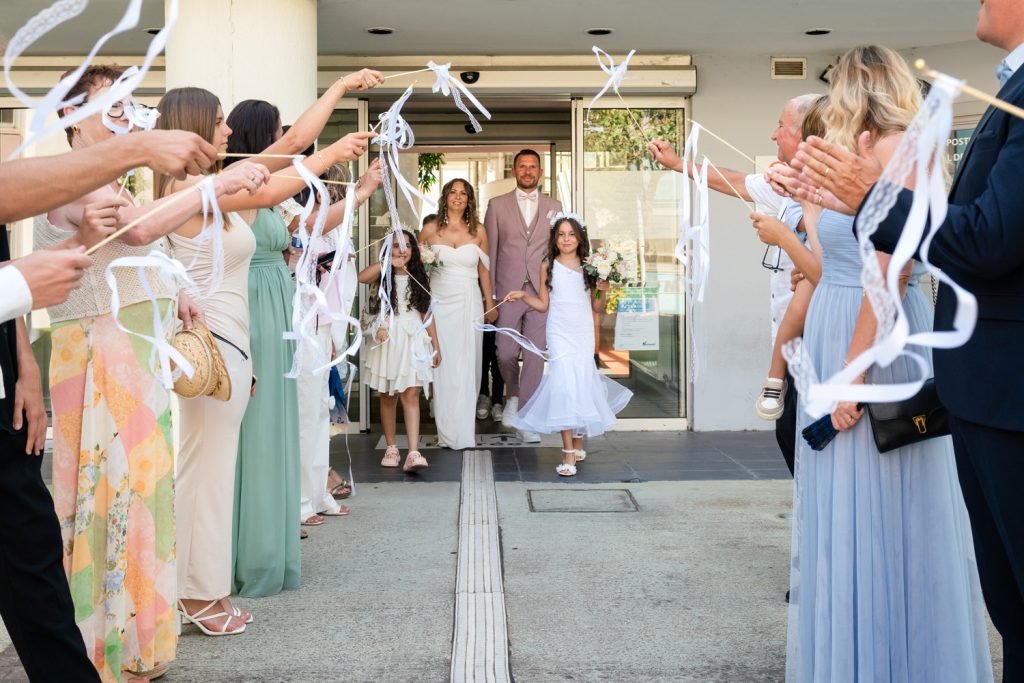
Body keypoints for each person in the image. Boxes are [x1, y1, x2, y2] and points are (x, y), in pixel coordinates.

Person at [797, 5, 1024, 675]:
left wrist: (857, 365)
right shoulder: (1005, 88)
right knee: (1008, 603)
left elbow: (978, 240)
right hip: (980, 384)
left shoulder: (911, 143)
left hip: (995, 383)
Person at [35, 65, 268, 682]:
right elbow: (138, 229)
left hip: (134, 351)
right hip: (97, 350)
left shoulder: (114, 178)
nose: (123, 114)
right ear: (69, 118)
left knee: (142, 491)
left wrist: (179, 292)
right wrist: (212, 188)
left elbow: (143, 246)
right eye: (108, 105)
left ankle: (136, 636)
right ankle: (103, 643)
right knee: (107, 494)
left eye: (125, 104)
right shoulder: (65, 182)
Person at [157, 72, 379, 633]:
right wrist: (333, 154)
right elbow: (282, 181)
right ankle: (197, 599)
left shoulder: (214, 185)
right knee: (202, 474)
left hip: (234, 345)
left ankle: (198, 592)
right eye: (217, 122)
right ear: (192, 131)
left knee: (211, 470)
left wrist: (341, 89)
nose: (228, 128)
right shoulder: (189, 193)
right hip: (210, 346)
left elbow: (288, 147)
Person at [648, 94, 818, 474]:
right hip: (789, 334)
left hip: (821, 332)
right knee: (789, 436)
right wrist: (678, 165)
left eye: (781, 126)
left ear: (807, 133)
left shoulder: (834, 188)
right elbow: (735, 181)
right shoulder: (781, 182)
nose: (774, 135)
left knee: (807, 440)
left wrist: (788, 232)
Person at [281, 160, 380, 526]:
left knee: (320, 411)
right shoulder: (298, 219)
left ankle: (319, 492)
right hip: (301, 324)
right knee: (306, 411)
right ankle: (302, 499)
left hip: (324, 326)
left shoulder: (328, 226)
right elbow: (292, 269)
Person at [505, 214, 632, 476]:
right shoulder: (547, 265)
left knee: (581, 383)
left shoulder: (589, 266)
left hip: (582, 331)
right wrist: (523, 296)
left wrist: (603, 288)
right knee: (564, 384)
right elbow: (543, 304)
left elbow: (597, 307)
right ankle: (568, 453)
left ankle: (577, 441)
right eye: (561, 234)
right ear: (554, 238)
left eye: (571, 234)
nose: (566, 239)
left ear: (579, 238)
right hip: (558, 331)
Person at [484, 149, 562, 443]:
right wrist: (490, 296)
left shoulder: (555, 205)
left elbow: (559, 248)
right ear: (514, 171)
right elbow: (490, 254)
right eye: (522, 167)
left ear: (540, 172)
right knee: (504, 352)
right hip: (508, 290)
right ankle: (513, 395)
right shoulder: (497, 205)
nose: (528, 171)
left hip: (541, 290)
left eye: (533, 167)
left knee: (534, 354)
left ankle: (527, 416)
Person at [420, 179, 496, 450]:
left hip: (468, 301)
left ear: (469, 200)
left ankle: (464, 431)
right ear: (445, 196)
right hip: (439, 302)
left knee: (468, 364)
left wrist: (490, 303)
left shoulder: (479, 231)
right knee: (443, 364)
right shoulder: (430, 229)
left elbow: (484, 271)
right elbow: (418, 270)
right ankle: (446, 430)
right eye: (453, 191)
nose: (458, 197)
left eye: (463, 193)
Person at [358, 230, 440, 471]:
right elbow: (362, 277)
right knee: (387, 395)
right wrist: (386, 263)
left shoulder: (419, 276)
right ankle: (392, 447)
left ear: (414, 250)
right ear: (388, 250)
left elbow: (427, 312)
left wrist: (436, 344)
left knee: (411, 393)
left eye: (406, 245)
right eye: (395, 245)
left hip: (413, 337)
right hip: (388, 336)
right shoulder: (383, 274)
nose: (401, 250)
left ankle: (414, 451)